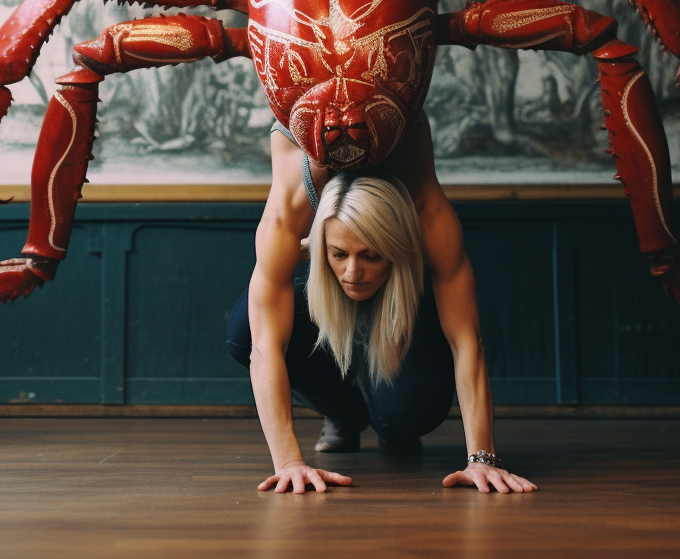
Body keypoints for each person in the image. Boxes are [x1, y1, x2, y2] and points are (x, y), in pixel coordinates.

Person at [227, 118, 536, 495]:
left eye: (371, 255)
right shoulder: (288, 204)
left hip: (401, 301)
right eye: (338, 254)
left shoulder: (428, 211)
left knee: (404, 416)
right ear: (319, 244)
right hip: (322, 298)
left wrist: (482, 460)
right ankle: (344, 413)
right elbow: (265, 345)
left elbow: (467, 340)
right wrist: (290, 462)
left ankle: (391, 425)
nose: (353, 272)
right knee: (246, 328)